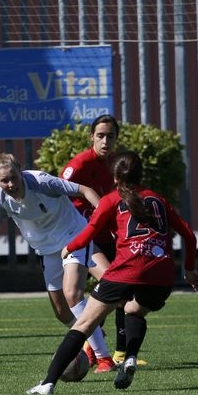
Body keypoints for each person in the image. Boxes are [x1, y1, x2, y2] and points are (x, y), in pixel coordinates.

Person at [27, 150, 198, 395]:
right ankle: (129, 358)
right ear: (141, 173)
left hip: (127, 270)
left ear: (115, 177)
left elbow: (89, 232)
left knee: (84, 324)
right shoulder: (158, 199)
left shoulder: (111, 199)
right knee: (133, 309)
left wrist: (70, 247)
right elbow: (189, 236)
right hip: (161, 276)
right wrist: (190, 270)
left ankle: (47, 384)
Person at [0, 153, 115, 370]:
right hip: (47, 250)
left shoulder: (41, 182)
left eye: (13, 177)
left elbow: (84, 190)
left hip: (73, 236)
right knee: (62, 312)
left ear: (20, 170)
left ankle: (104, 358)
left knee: (73, 294)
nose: (10, 184)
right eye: (4, 180)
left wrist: (108, 218)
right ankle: (91, 331)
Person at [60, 114, 138, 368]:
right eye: (101, 135)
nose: (105, 141)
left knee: (119, 291)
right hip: (84, 238)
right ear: (91, 136)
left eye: (110, 136)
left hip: (110, 238)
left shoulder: (117, 164)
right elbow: (60, 197)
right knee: (106, 290)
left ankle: (114, 353)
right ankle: (94, 348)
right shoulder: (78, 165)